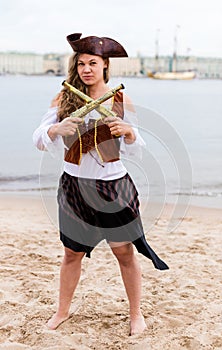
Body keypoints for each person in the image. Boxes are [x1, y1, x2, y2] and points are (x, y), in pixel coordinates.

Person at [33, 32, 169, 336]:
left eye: (93, 63)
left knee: (124, 252)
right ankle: (62, 311)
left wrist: (130, 134)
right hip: (73, 187)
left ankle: (136, 314)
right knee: (71, 254)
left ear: (105, 65)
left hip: (112, 187)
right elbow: (39, 139)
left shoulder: (121, 99)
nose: (86, 69)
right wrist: (56, 128)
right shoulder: (63, 99)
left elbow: (135, 150)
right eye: (81, 63)